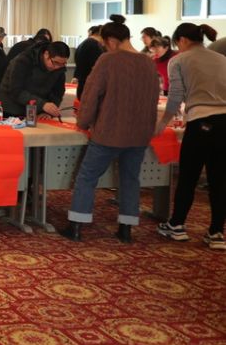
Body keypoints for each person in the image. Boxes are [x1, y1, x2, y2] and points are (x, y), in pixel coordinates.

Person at [59, 15, 160, 243]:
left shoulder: (108, 60)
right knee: (130, 179)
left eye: (105, 44)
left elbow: (91, 95)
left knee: (87, 177)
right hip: (139, 133)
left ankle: (77, 225)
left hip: (109, 130)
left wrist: (83, 122)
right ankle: (126, 228)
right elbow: (153, 99)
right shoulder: (148, 62)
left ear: (112, 41)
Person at [155, 23, 226, 250]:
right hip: (224, 122)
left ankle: (177, 225)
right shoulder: (221, 59)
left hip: (200, 122)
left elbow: (175, 96)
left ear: (183, 40)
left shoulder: (179, 60)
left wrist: (163, 123)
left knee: (188, 177)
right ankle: (216, 232)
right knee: (219, 180)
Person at [0, 40, 70, 118]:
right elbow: (16, 91)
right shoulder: (23, 61)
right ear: (46, 54)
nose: (57, 67)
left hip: (37, 109)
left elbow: (57, 93)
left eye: (63, 64)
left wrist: (48, 111)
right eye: (55, 63)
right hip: (12, 109)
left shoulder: (60, 69)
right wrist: (42, 105)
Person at [73, 25, 105, 99]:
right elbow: (97, 69)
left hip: (83, 86)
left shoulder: (82, 44)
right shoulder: (94, 45)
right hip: (91, 88)